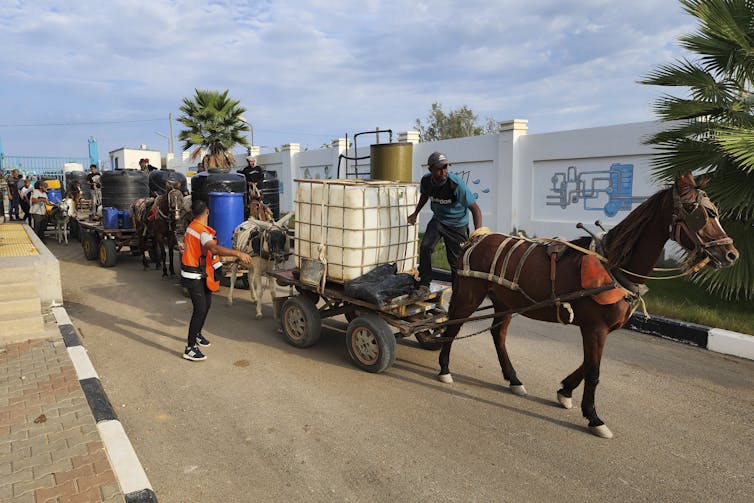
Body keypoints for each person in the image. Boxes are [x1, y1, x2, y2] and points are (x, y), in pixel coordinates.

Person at [181, 198, 252, 361]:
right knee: (199, 310)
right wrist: (237, 253)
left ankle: (197, 334)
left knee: (207, 305)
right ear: (207, 212)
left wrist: (218, 265)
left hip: (201, 272)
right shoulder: (201, 231)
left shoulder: (192, 227)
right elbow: (213, 248)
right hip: (193, 274)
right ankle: (190, 348)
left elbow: (205, 252)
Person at [407, 152, 482, 298]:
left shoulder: (455, 184)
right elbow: (424, 195)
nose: (443, 172)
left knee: (455, 262)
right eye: (439, 168)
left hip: (457, 224)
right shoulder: (426, 181)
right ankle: (424, 285)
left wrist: (478, 233)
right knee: (425, 247)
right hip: (439, 220)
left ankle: (458, 293)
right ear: (431, 169)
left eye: (445, 167)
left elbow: (475, 209)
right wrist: (415, 213)